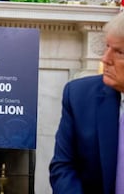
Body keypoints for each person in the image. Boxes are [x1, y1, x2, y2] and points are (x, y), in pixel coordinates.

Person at [49, 12, 124, 193]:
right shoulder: (80, 96)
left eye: (119, 52)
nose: (105, 59)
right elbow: (64, 168)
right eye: (107, 47)